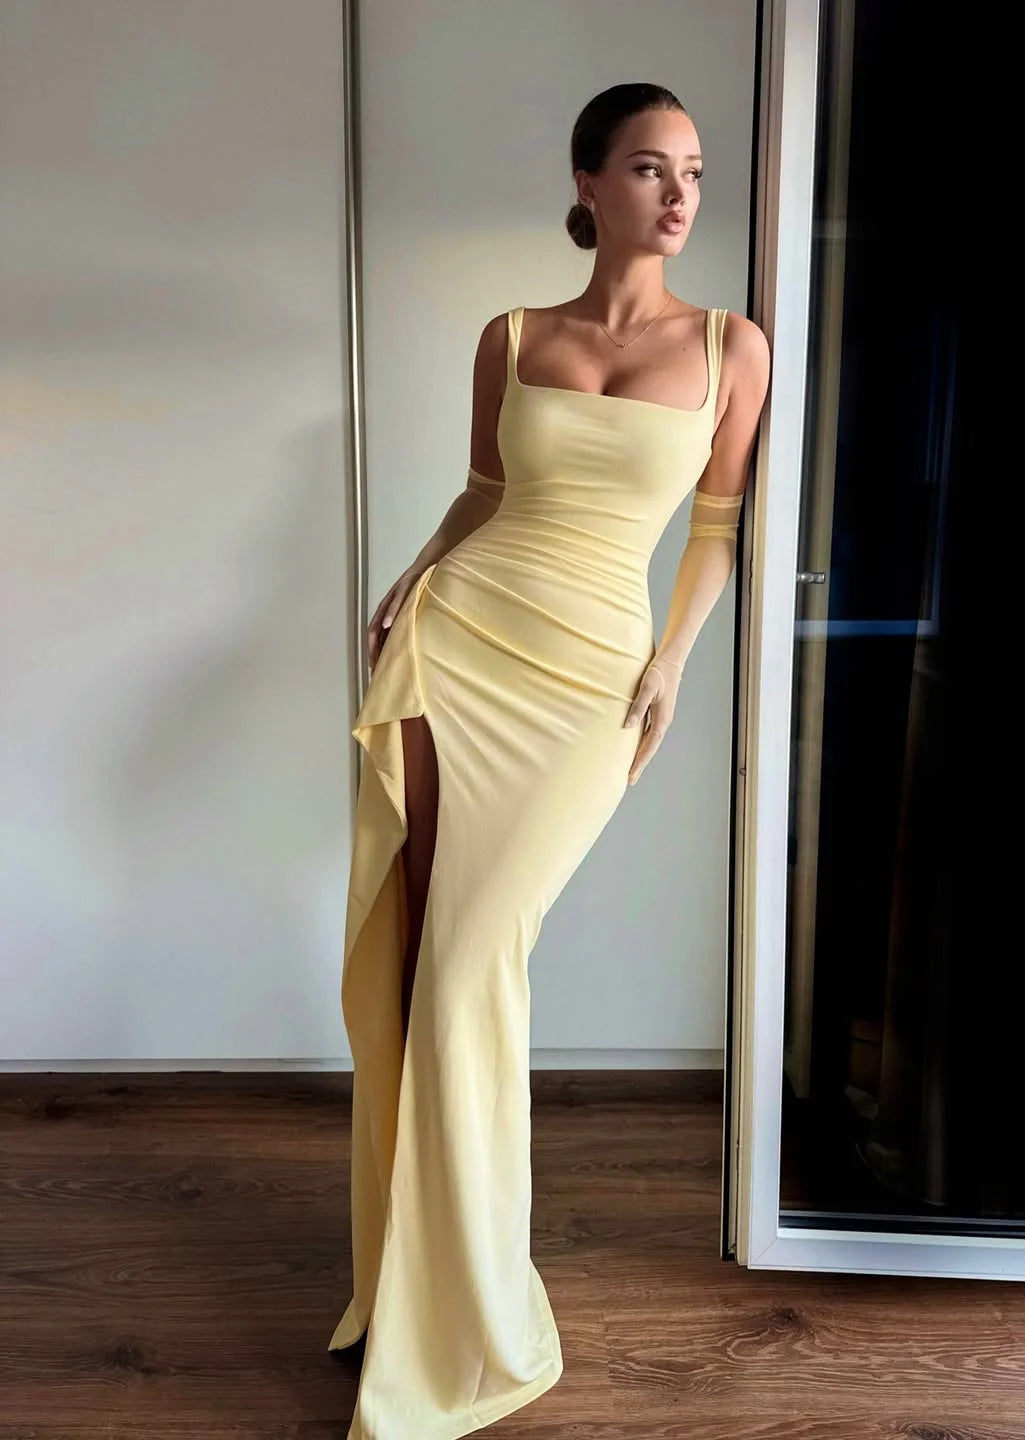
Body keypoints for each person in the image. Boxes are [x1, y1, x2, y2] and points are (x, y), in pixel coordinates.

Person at [328, 81, 770, 1440]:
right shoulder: (512, 335)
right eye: (649, 168)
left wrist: (672, 663)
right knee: (421, 955)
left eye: (693, 172)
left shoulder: (732, 346)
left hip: (593, 677)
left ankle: (465, 1315)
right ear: (588, 184)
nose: (680, 195)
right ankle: (402, 1292)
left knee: (478, 957)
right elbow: (485, 494)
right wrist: (410, 579)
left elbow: (715, 528)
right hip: (460, 640)